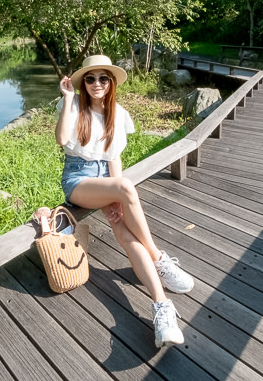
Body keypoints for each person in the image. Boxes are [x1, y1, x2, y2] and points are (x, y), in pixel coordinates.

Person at [56, 54, 194, 348]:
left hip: (107, 180)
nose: (96, 84)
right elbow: (61, 138)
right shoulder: (74, 105)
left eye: (103, 78)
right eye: (90, 79)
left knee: (125, 231)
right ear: (83, 83)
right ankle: (158, 258)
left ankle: (162, 308)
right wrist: (68, 97)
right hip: (78, 180)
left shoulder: (117, 113)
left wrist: (117, 196)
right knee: (126, 188)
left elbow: (114, 158)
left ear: (111, 83)